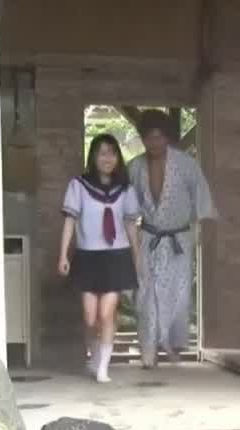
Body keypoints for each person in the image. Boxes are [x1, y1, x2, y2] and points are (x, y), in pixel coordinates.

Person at [128, 109, 218, 368]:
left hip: (178, 239)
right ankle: (148, 351)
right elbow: (127, 207)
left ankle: (171, 345)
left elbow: (202, 200)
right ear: (143, 139)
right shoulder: (134, 167)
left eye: (159, 137)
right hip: (149, 236)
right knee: (146, 295)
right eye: (149, 138)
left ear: (167, 137)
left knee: (176, 297)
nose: (154, 143)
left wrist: (201, 234)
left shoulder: (186, 165)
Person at [57, 134, 142, 383]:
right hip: (87, 258)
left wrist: (137, 258)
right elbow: (69, 222)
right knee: (90, 318)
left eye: (112, 153)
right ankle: (94, 357)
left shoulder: (125, 189)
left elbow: (131, 225)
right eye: (102, 153)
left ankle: (103, 368)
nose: (108, 158)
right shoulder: (78, 186)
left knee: (106, 314)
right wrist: (63, 255)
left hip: (117, 257)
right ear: (93, 156)